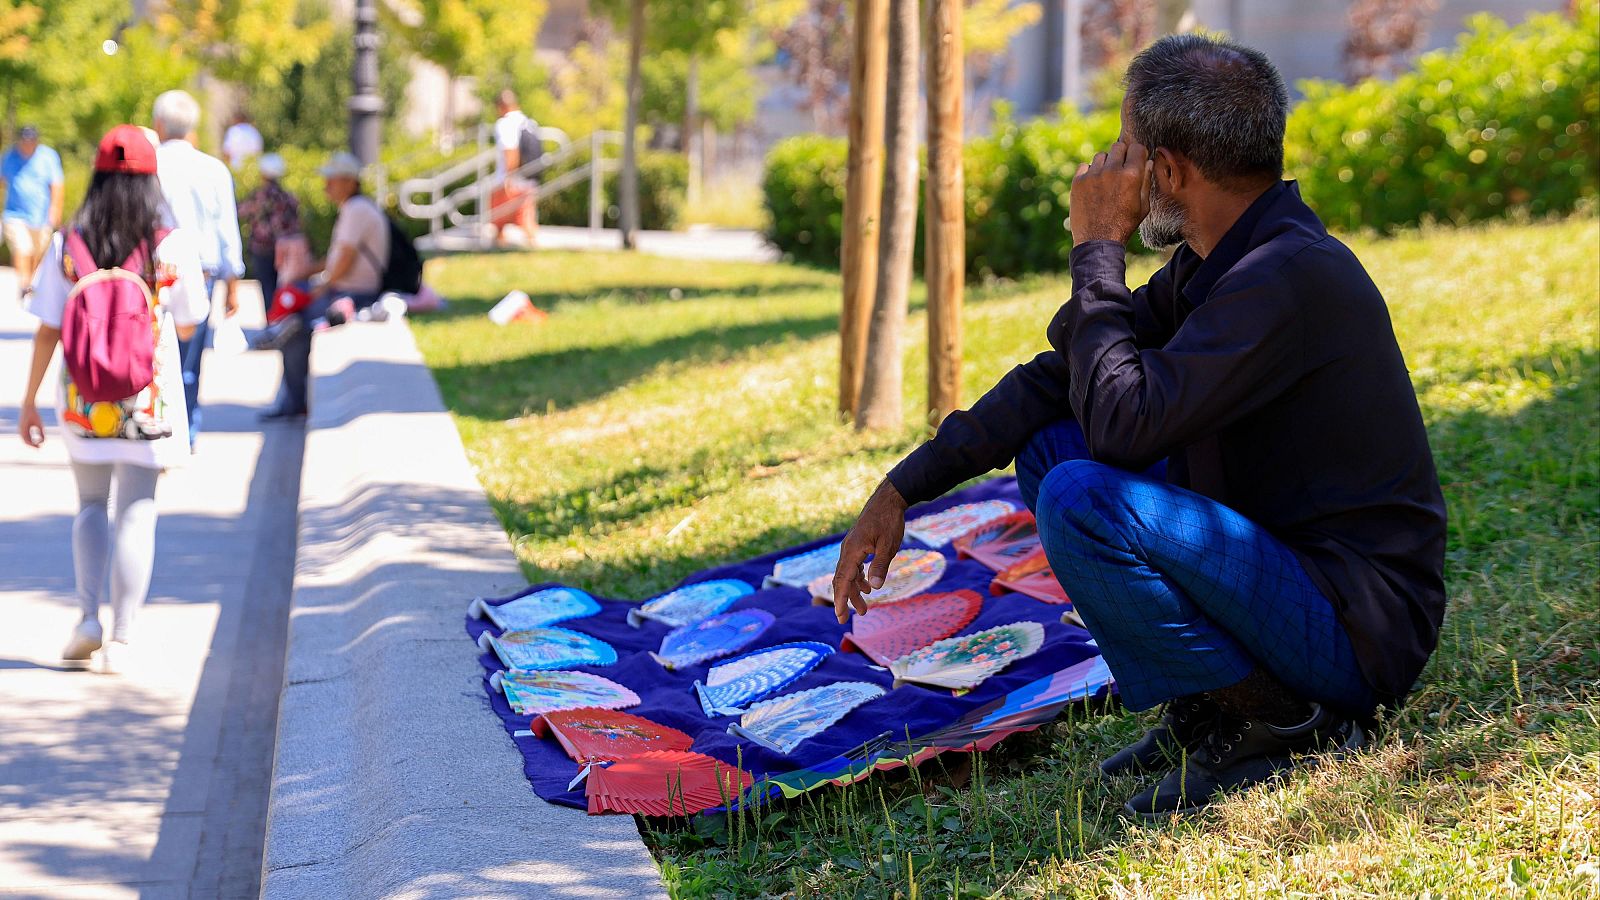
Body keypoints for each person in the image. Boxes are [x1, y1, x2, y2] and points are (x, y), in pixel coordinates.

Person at [829, 34, 1447, 819]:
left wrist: (1097, 250)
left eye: (1125, 149)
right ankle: (1211, 703)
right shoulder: (1221, 262)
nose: (1106, 167)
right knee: (1054, 447)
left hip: (1357, 630)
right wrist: (902, 486)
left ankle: (1281, 723)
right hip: (1280, 572)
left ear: (1168, 170)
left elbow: (1124, 429)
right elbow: (1058, 383)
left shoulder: (1288, 278)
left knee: (1084, 495)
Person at [17, 125, 211, 674]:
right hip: (147, 398)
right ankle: (122, 640)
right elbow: (194, 322)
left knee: (88, 506)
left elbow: (48, 329)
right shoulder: (168, 242)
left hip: (82, 399)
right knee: (138, 509)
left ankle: (86, 618)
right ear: (153, 178)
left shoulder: (68, 240)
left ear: (97, 175)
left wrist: (29, 401)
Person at [259, 151, 388, 420]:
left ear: (350, 182)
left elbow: (346, 258)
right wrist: (309, 274)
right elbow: (336, 258)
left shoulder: (356, 209)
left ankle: (293, 402)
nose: (326, 185)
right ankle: (291, 393)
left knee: (295, 326)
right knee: (291, 313)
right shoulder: (354, 208)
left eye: (332, 179)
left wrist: (322, 284)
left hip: (354, 293)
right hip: (346, 289)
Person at [152, 90, 244, 451]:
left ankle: (158, 425)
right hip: (200, 275)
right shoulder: (213, 169)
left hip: (155, 272)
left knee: (155, 353)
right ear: (191, 128)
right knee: (189, 361)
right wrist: (232, 283)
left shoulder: (149, 165)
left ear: (159, 125)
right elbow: (227, 231)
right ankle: (185, 432)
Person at [1, 125, 66, 296]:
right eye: (24, 140)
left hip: (41, 215)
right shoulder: (10, 156)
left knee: (38, 251)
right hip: (14, 214)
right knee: (23, 248)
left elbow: (57, 185)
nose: (27, 144)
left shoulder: (48, 157)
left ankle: (32, 281)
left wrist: (55, 209)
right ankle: (24, 283)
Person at [237, 153, 301, 302]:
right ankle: (281, 318)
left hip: (263, 248)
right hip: (286, 248)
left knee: (267, 288)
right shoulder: (287, 196)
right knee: (283, 287)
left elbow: (240, 210)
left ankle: (271, 320)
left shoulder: (259, 196)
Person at [490, 90, 539, 245]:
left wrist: (508, 178)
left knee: (500, 215)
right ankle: (525, 242)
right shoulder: (528, 122)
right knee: (524, 216)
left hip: (512, 179)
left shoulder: (505, 123)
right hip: (529, 178)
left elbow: (510, 151)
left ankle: (499, 243)